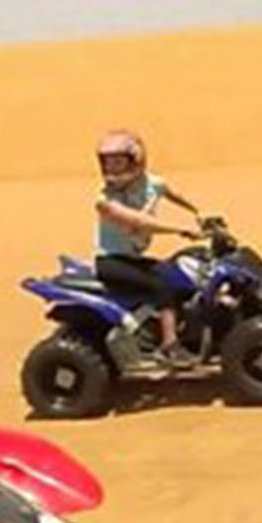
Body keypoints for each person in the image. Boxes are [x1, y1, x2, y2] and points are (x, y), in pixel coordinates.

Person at [93, 129, 201, 366]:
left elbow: (173, 194)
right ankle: (169, 346)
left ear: (136, 161)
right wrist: (180, 229)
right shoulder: (105, 201)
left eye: (118, 162)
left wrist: (198, 212)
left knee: (177, 274)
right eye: (107, 162)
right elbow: (140, 222)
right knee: (161, 285)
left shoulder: (151, 184)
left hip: (132, 259)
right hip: (111, 262)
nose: (111, 168)